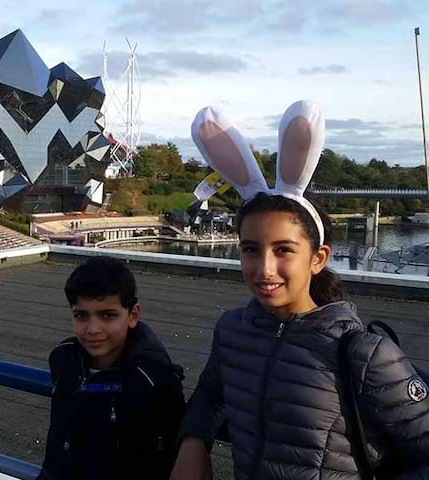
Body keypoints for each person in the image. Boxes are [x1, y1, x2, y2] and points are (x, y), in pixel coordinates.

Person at [171, 101, 429, 479]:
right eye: (250, 250)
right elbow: (211, 394)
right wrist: (193, 442)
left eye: (284, 250)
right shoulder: (233, 330)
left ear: (318, 257)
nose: (264, 269)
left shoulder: (363, 353)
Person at [38, 256, 185, 480]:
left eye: (107, 315)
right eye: (81, 315)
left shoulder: (154, 380)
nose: (93, 329)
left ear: (133, 315)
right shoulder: (62, 359)